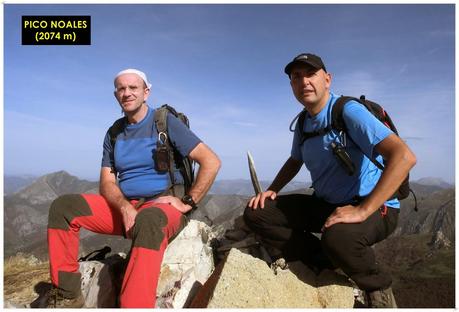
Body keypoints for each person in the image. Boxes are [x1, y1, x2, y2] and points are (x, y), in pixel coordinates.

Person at [244, 53, 416, 308]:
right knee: (257, 213)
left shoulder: (347, 111)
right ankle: (323, 259)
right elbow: (295, 160)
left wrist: (362, 211)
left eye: (310, 74)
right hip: (327, 204)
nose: (304, 82)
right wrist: (272, 190)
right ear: (291, 85)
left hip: (376, 207)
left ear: (327, 79)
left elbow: (403, 156)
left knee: (339, 239)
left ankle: (377, 286)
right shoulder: (304, 122)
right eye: (296, 77)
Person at [46, 69, 221, 308]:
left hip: (161, 209)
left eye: (133, 88)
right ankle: (67, 295)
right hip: (126, 207)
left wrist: (188, 202)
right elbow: (107, 183)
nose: (126, 93)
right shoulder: (114, 133)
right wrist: (125, 207)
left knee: (148, 220)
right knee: (64, 207)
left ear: (146, 92)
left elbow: (210, 161)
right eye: (121, 88)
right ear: (116, 94)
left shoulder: (164, 122)